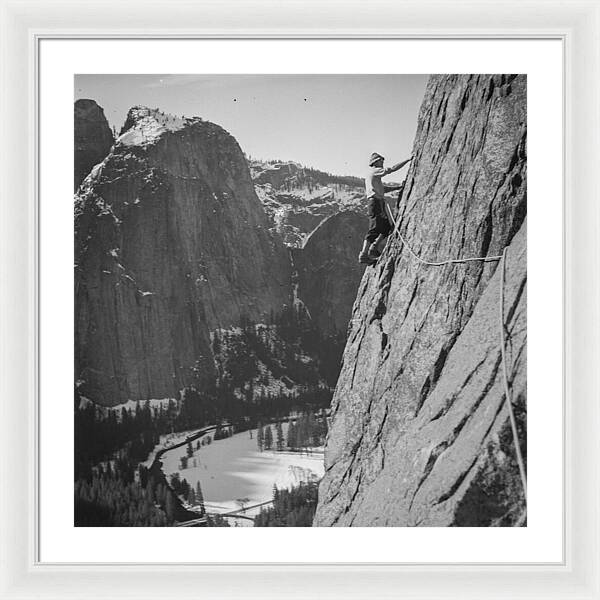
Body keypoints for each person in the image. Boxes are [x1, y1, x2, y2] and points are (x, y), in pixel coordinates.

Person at [358, 152, 412, 265]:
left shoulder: (371, 174)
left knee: (386, 227)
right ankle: (364, 254)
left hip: (377, 203)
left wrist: (398, 187)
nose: (382, 163)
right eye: (381, 161)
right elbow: (391, 169)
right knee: (374, 228)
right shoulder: (374, 170)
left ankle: (374, 248)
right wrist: (407, 160)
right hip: (375, 203)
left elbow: (383, 189)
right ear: (375, 162)